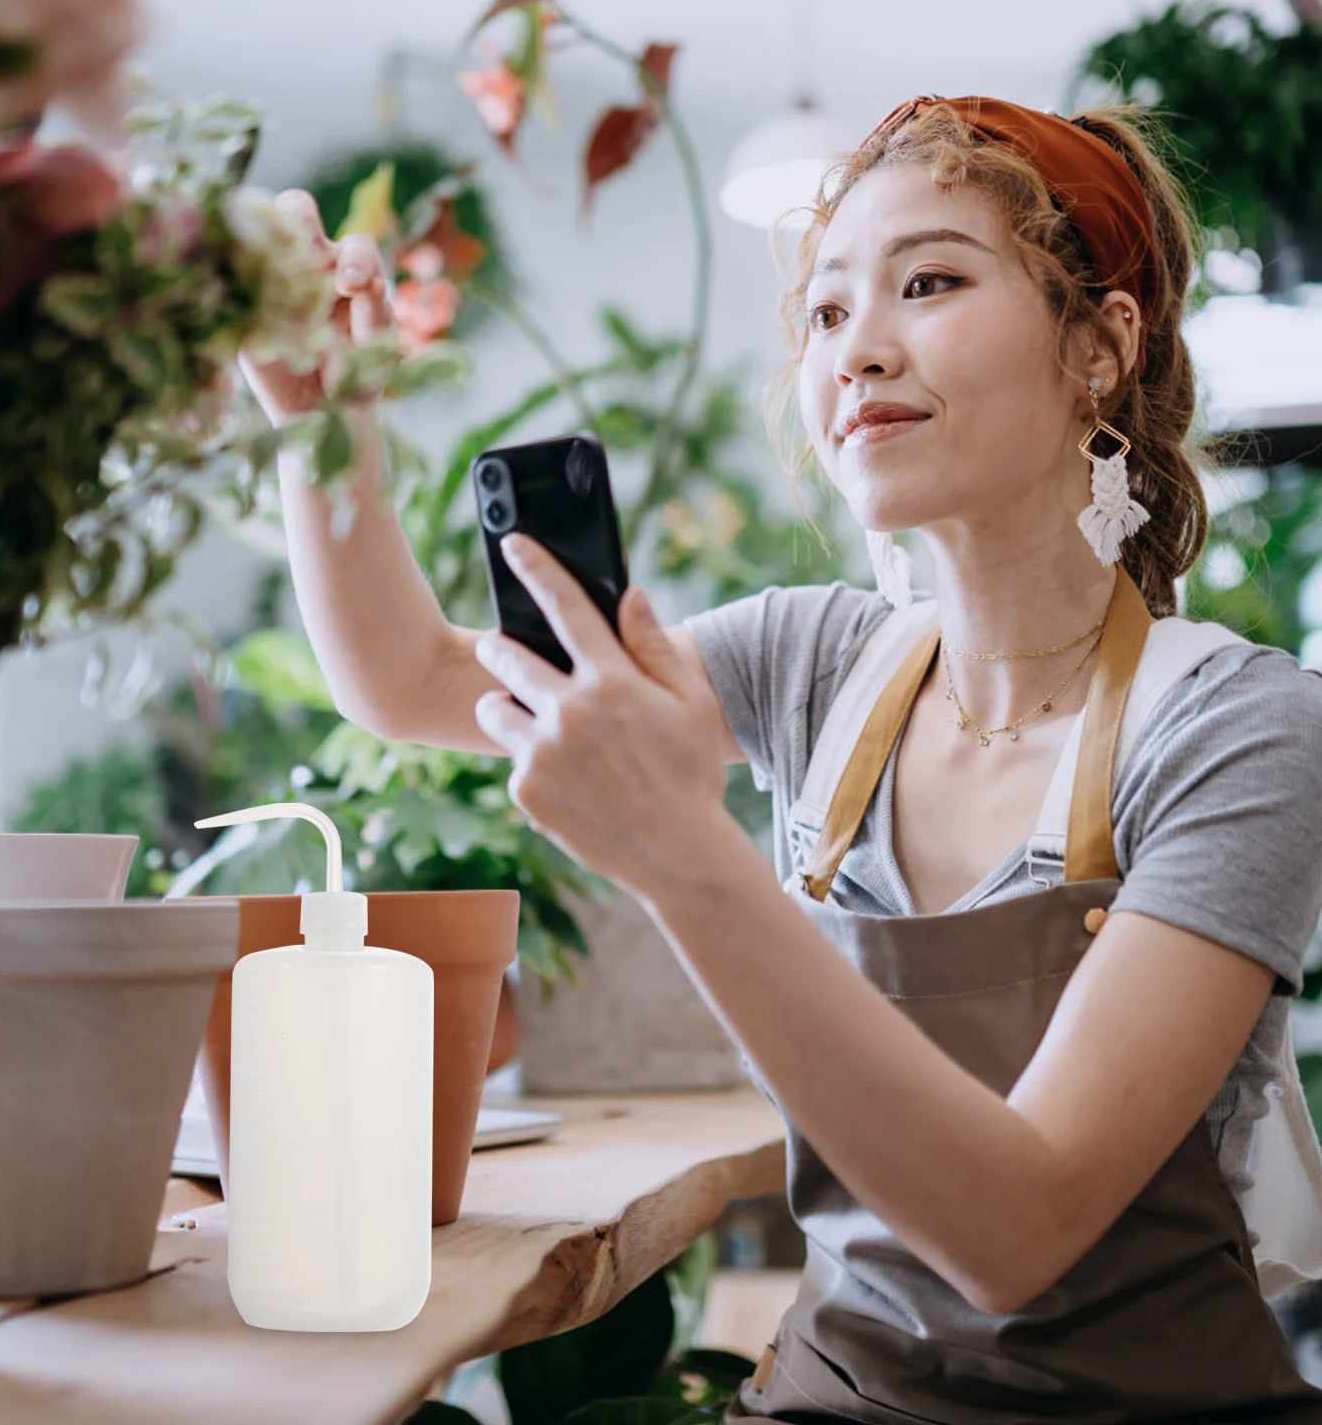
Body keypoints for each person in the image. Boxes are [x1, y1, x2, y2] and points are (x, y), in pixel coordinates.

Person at [241, 94, 1322, 1421]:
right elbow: (410, 681)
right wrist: (314, 413)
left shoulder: (1239, 729)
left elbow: (1018, 1231)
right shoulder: (815, 663)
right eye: (822, 312)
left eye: (927, 281)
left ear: (1099, 349)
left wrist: (685, 862)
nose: (855, 347)